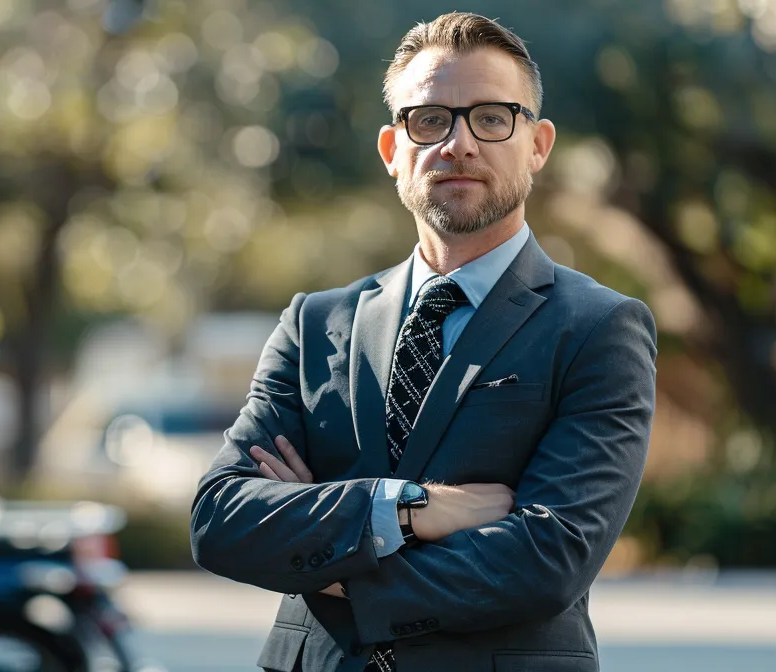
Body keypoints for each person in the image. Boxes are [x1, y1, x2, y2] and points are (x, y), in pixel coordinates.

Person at [188, 12, 658, 672]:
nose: (459, 143)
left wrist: (325, 558)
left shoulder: (599, 328)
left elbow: (549, 557)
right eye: (429, 119)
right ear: (391, 150)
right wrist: (409, 510)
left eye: (492, 117)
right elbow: (222, 519)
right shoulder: (314, 323)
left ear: (538, 145)